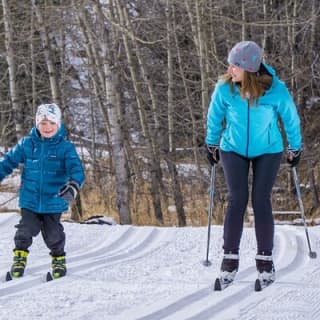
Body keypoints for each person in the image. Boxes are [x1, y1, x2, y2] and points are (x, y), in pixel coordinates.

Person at [205, 41, 302, 284]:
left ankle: (265, 262)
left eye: (235, 65)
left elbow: (290, 118)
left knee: (261, 199)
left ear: (248, 68)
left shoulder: (275, 90)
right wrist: (211, 143)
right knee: (237, 198)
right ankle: (229, 260)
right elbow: (214, 116)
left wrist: (294, 146)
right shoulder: (224, 88)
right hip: (232, 148)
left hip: (268, 150)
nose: (229, 69)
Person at [0, 103, 85, 279]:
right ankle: (19, 258)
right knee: (25, 229)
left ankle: (58, 259)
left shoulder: (65, 148)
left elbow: (77, 170)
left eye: (52, 123)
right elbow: (8, 162)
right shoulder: (27, 144)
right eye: (43, 123)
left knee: (53, 234)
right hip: (29, 199)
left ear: (58, 124)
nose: (47, 127)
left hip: (54, 201)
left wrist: (73, 186)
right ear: (37, 123)